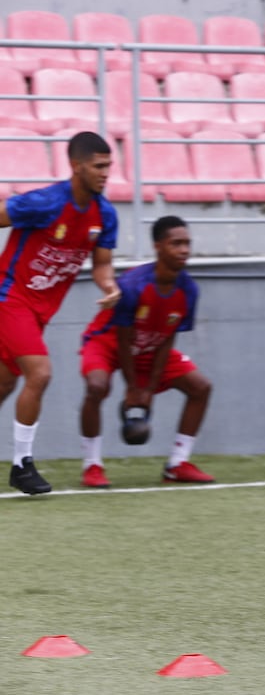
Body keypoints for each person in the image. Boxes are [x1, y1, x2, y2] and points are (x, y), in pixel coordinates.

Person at [0, 131, 120, 495]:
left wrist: (109, 286)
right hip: (10, 298)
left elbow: (102, 264)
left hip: (41, 311)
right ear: (76, 165)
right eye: (98, 166)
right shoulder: (46, 203)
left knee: (5, 383)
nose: (105, 173)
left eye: (108, 166)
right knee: (40, 373)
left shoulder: (105, 214)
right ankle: (22, 466)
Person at [78, 215, 213, 488]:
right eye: (176, 243)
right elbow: (123, 340)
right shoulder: (133, 285)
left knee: (201, 387)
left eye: (187, 243)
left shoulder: (189, 290)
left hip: (151, 346)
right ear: (158, 247)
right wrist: (133, 388)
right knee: (96, 387)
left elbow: (168, 338)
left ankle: (177, 464)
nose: (184, 250)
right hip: (109, 342)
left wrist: (149, 389)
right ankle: (92, 465)